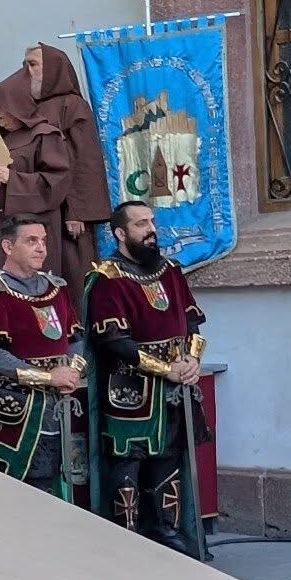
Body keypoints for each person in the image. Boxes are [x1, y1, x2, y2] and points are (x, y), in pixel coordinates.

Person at [86, 201, 208, 549]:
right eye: (141, 224)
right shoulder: (108, 279)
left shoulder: (170, 270)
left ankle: (167, 531)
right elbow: (114, 341)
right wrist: (166, 369)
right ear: (120, 233)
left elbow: (193, 322)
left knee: (168, 457)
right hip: (129, 391)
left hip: (173, 391)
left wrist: (192, 360)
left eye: (152, 221)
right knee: (128, 465)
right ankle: (127, 538)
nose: (151, 229)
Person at [0, 216, 85, 497]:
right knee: (23, 491)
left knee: (57, 484)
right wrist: (48, 377)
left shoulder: (57, 288)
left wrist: (73, 372)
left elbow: (75, 338)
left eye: (43, 240)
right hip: (15, 410)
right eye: (31, 241)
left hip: (58, 405)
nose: (41, 248)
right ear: (7, 246)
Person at [23, 42, 114, 289]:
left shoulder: (71, 105)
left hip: (68, 214)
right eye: (24, 65)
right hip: (40, 208)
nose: (25, 71)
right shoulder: (28, 108)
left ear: (52, 70)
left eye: (32, 64)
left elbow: (84, 160)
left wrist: (76, 212)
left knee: (75, 277)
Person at [0, 68, 74, 272]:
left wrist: (12, 178)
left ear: (16, 106)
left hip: (33, 230)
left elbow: (56, 182)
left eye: (0, 107)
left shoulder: (45, 135)